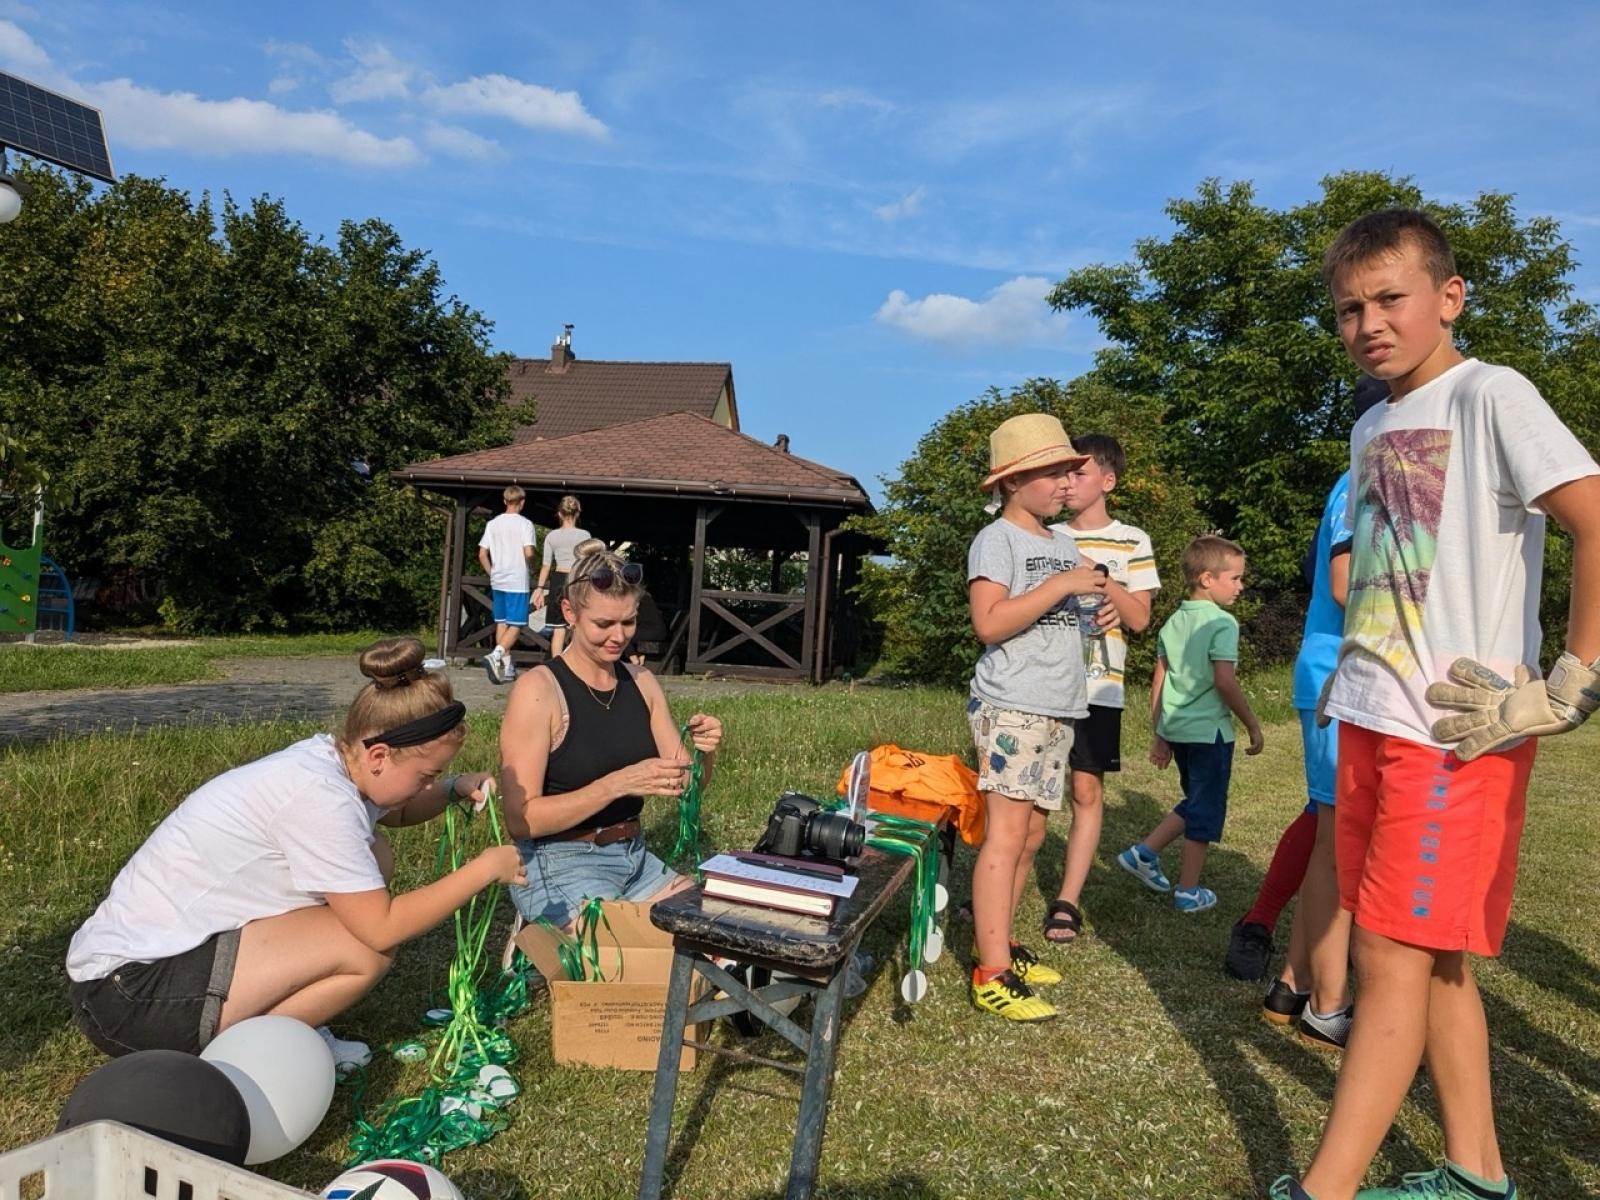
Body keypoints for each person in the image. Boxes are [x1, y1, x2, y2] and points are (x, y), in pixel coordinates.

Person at [1268, 212, 1600, 1200]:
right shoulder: (1371, 423)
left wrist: (1572, 675)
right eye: (1347, 309)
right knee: (1436, 962)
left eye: (1388, 299)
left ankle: (1322, 1191)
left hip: (1453, 736)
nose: (1367, 323)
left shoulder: (1492, 394)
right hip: (1373, 718)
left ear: (1447, 297)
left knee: (1388, 960)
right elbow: (1390, 573)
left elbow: (1594, 516)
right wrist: (1350, 672)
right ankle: (1475, 1173)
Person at [65, 638, 525, 1071]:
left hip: (137, 976)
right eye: (427, 774)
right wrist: (484, 869)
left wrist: (450, 789)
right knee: (366, 947)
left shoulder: (332, 761)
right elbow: (383, 926)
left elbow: (394, 812)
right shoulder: (320, 799)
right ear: (380, 755)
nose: (427, 785)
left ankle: (272, 1031)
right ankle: (244, 1060)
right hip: (131, 1000)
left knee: (373, 860)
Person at [965, 412, 1112, 1023]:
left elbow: (1059, 620)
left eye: (1069, 471)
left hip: (1057, 705)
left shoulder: (1065, 544)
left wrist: (1092, 615)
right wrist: (1062, 590)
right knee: (1005, 834)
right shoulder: (996, 539)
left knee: (1031, 834)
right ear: (1012, 481)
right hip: (1011, 704)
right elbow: (990, 623)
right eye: (1052, 472)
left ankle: (1002, 943)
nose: (1064, 483)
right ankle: (990, 971)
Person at [500, 547, 723, 931]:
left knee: (717, 934)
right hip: (558, 860)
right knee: (632, 960)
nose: (618, 637)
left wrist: (705, 755)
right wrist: (617, 784)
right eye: (603, 624)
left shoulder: (642, 682)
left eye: (628, 622)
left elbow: (686, 785)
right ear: (569, 613)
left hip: (635, 859)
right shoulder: (538, 690)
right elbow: (521, 820)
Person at [1043, 433, 1160, 945]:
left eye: (1080, 474)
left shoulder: (1133, 539)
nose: (1068, 483)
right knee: (1028, 793)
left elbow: (1138, 619)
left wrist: (1104, 582)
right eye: (1064, 474)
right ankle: (998, 883)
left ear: (1108, 481)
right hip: (1042, 685)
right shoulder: (1044, 535)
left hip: (1099, 689)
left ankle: (1067, 900)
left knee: (1085, 789)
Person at [1117, 535, 1263, 914]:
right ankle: (1188, 891)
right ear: (1206, 578)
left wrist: (1160, 732)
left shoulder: (1173, 622)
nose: (1240, 586)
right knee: (1206, 810)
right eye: (1235, 578)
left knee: (1197, 801)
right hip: (1210, 733)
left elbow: (1158, 681)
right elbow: (1224, 682)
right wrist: (1252, 724)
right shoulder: (1222, 624)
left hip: (1179, 731)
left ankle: (1143, 854)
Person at [479, 485, 537, 685]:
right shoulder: (525, 524)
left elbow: (482, 554)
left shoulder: (493, 524)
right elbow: (529, 552)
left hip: (498, 578)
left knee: (501, 622)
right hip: (517, 579)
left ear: (504, 501)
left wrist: (491, 572)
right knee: (517, 624)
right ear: (522, 502)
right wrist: (531, 567)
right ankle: (495, 656)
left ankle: (507, 667)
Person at [534, 495, 591, 660]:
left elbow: (546, 565)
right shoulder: (585, 535)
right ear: (577, 513)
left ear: (559, 514)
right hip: (577, 579)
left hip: (558, 579)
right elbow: (588, 562)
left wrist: (539, 589)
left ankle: (556, 667)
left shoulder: (552, 536)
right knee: (577, 624)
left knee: (558, 628)